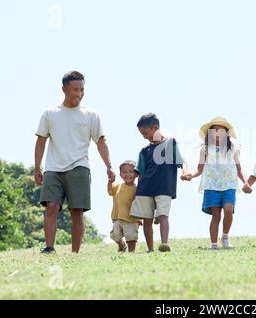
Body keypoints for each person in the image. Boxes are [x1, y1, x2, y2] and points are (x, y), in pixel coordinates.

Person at [35, 71, 115, 254]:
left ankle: (75, 252)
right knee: (51, 206)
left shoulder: (91, 115)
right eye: (75, 90)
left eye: (81, 90)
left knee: (77, 211)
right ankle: (49, 248)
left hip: (79, 167)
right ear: (64, 89)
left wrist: (109, 166)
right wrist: (37, 167)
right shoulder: (50, 113)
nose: (79, 94)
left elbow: (101, 142)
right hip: (53, 168)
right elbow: (41, 141)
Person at [131, 113, 191, 253]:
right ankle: (150, 248)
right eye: (142, 135)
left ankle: (164, 243)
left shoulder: (170, 144)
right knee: (147, 220)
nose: (145, 137)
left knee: (163, 215)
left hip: (164, 188)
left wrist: (185, 172)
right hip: (145, 189)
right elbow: (139, 171)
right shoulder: (144, 151)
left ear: (155, 127)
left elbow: (182, 162)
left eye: (146, 133)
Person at [189, 117, 248, 250]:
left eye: (221, 131)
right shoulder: (205, 149)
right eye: (214, 130)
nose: (217, 133)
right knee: (216, 215)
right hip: (211, 185)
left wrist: (246, 182)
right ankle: (214, 245)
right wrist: (190, 176)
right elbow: (199, 169)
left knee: (228, 209)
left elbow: (239, 169)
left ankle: (225, 236)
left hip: (229, 184)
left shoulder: (232, 148)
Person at [108, 161, 142, 253]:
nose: (127, 174)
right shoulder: (118, 186)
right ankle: (121, 245)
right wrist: (110, 181)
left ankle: (131, 253)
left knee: (131, 237)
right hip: (117, 216)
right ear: (120, 174)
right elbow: (110, 191)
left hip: (131, 218)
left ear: (136, 174)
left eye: (131, 172)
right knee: (115, 235)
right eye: (124, 172)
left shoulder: (137, 189)